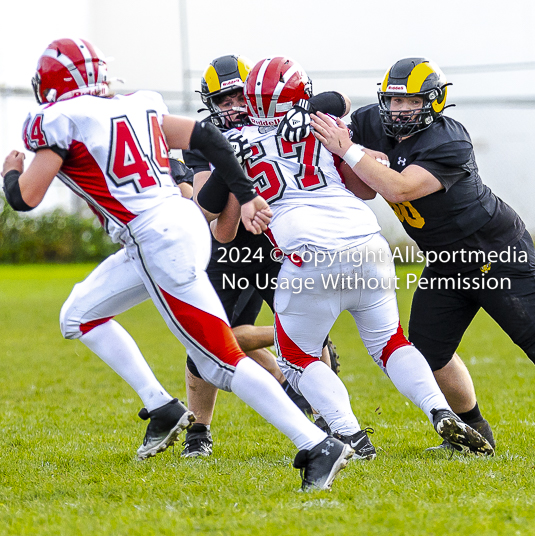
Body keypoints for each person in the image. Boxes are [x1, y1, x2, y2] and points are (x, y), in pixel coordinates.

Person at [1, 38, 352, 490]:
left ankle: (316, 444)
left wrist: (12, 168)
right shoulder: (137, 104)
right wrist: (246, 195)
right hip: (175, 224)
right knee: (78, 315)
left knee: (219, 361)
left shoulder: (57, 121)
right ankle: (162, 406)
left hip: (153, 238)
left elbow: (24, 198)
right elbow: (207, 136)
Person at [310, 57, 535, 452]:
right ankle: (474, 433)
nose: (400, 111)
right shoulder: (374, 122)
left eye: (411, 102)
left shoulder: (448, 140)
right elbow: (337, 113)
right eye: (393, 102)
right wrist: (320, 105)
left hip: (495, 254)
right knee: (425, 352)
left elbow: (400, 188)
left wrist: (351, 151)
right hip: (445, 260)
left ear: (434, 102)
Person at [203, 55, 494, 459]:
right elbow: (358, 173)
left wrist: (236, 178)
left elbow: (215, 218)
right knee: (390, 342)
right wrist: (307, 115)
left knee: (297, 358)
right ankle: (438, 408)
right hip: (366, 242)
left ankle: (352, 436)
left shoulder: (234, 143)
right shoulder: (324, 121)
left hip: (308, 256)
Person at [181, 54, 345, 457]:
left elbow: (336, 100)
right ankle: (198, 432)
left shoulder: (275, 119)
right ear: (210, 105)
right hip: (230, 252)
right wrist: (238, 169)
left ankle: (332, 420)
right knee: (204, 341)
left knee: (312, 338)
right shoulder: (205, 141)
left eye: (240, 96)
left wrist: (295, 111)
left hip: (280, 243)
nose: (235, 107)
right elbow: (216, 219)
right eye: (224, 100)